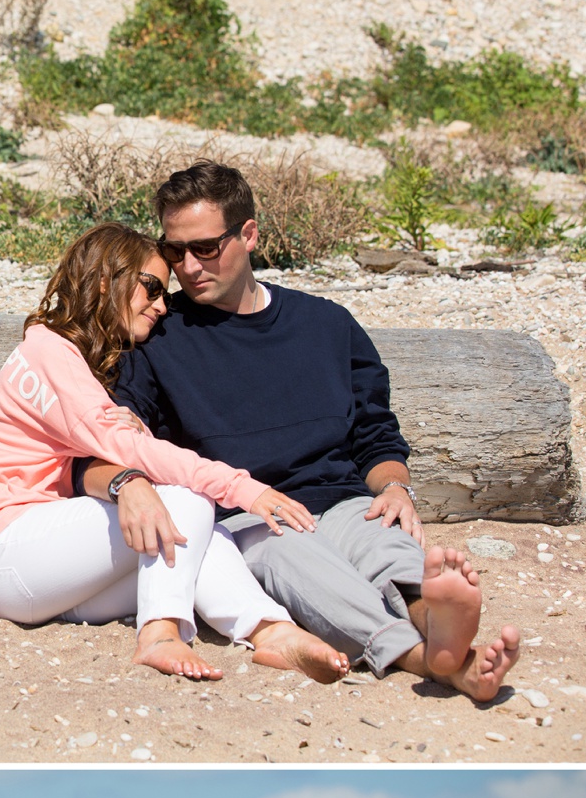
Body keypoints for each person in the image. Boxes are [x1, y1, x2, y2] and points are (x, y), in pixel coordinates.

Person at [107, 159, 521, 698]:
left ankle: (432, 612)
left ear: (249, 234)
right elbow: (121, 429)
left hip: (342, 498)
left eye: (205, 247)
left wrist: (395, 487)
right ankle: (437, 660)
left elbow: (375, 431)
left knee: (385, 544)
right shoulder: (159, 337)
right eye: (173, 250)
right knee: (302, 567)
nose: (187, 266)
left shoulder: (326, 323)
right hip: (247, 515)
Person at [0, 221, 350, 681]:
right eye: (152, 288)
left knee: (199, 539)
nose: (163, 305)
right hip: (5, 550)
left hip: (50, 574)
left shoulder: (83, 356)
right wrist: (243, 488)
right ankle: (159, 633)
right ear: (106, 281)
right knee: (185, 503)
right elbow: (124, 446)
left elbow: (115, 441)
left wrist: (133, 435)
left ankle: (272, 632)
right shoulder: (49, 351)